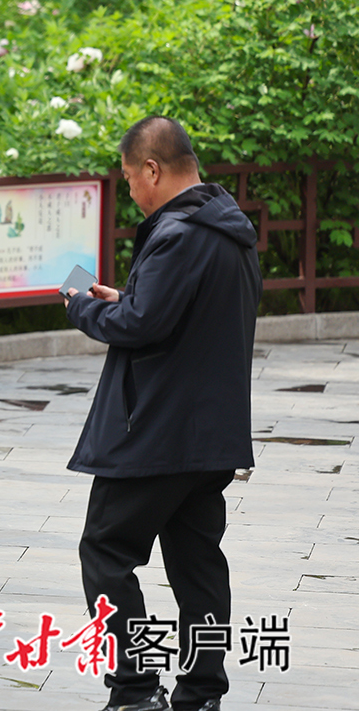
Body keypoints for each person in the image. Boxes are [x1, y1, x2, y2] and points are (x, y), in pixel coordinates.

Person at [63, 116, 258, 711]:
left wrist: (80, 307)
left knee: (105, 551)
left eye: (129, 179)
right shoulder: (228, 228)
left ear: (152, 169)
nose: (131, 192)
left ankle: (134, 688)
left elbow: (141, 327)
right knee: (198, 565)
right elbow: (178, 313)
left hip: (156, 433)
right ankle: (201, 693)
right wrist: (127, 298)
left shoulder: (177, 232)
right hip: (211, 436)